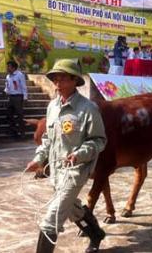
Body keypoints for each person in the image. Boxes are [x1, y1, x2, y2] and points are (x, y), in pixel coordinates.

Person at [25, 59, 107, 253]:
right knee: (72, 209)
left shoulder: (88, 109)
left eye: (63, 79)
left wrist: (79, 154)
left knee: (51, 218)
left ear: (74, 80)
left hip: (76, 171)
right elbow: (47, 139)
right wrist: (37, 159)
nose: (58, 84)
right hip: (55, 170)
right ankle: (96, 233)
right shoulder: (52, 107)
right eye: (55, 79)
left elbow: (99, 140)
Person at [4, 60, 28, 138]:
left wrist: (25, 97)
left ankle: (22, 132)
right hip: (11, 97)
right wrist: (5, 91)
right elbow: (7, 86)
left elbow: (23, 86)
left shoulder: (19, 75)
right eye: (7, 67)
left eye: (9, 67)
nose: (7, 68)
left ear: (14, 68)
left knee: (19, 115)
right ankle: (13, 131)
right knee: (9, 114)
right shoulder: (8, 76)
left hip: (18, 97)